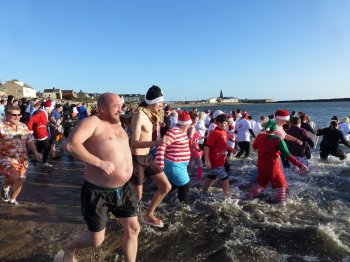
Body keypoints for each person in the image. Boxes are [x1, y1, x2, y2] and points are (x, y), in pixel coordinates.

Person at [62, 93, 139, 262]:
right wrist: (99, 162)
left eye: (121, 105)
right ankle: (69, 247)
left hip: (124, 189)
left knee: (133, 229)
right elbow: (70, 145)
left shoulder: (118, 122)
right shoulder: (92, 122)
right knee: (96, 240)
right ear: (102, 108)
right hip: (97, 192)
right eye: (116, 107)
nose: (121, 109)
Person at [130, 85, 171, 228]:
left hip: (147, 157)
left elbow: (159, 121)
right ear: (153, 101)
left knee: (166, 186)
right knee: (138, 197)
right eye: (160, 103)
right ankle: (127, 222)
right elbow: (133, 142)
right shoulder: (139, 115)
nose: (161, 106)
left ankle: (148, 215)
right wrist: (157, 142)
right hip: (137, 159)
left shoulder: (151, 115)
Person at [248, 119, 309, 202]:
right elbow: (288, 156)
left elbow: (254, 147)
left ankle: (248, 197)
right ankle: (281, 206)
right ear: (275, 129)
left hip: (262, 166)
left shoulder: (260, 136)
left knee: (260, 185)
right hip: (274, 168)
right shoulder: (278, 140)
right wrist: (300, 165)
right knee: (281, 187)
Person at [0, 105, 41, 205]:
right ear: (6, 115)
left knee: (20, 180)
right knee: (14, 176)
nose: (17, 117)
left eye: (19, 115)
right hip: (5, 157)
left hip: (22, 159)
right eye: (14, 115)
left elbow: (30, 141)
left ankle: (12, 200)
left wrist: (36, 153)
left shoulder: (23, 126)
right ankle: (5, 188)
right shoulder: (1, 126)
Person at [156, 111, 192, 204]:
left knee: (172, 186)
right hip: (174, 165)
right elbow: (161, 146)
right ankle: (185, 209)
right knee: (185, 186)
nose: (189, 126)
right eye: (188, 124)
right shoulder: (173, 131)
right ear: (184, 124)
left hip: (180, 165)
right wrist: (160, 164)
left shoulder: (182, 132)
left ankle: (158, 202)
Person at [202, 114, 234, 198]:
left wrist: (231, 149)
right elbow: (206, 146)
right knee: (225, 177)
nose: (225, 125)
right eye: (224, 123)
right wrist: (207, 160)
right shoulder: (214, 133)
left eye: (227, 123)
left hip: (221, 159)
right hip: (215, 160)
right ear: (218, 122)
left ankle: (202, 192)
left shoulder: (223, 132)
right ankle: (228, 198)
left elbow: (222, 144)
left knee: (211, 177)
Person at [26, 100, 54, 167]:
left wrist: (54, 126)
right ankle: (45, 162)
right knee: (47, 147)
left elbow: (45, 122)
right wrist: (30, 130)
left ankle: (36, 158)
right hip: (41, 133)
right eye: (52, 109)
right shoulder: (41, 113)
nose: (52, 110)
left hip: (41, 132)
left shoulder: (44, 112)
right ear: (48, 108)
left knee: (40, 147)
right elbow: (32, 119)